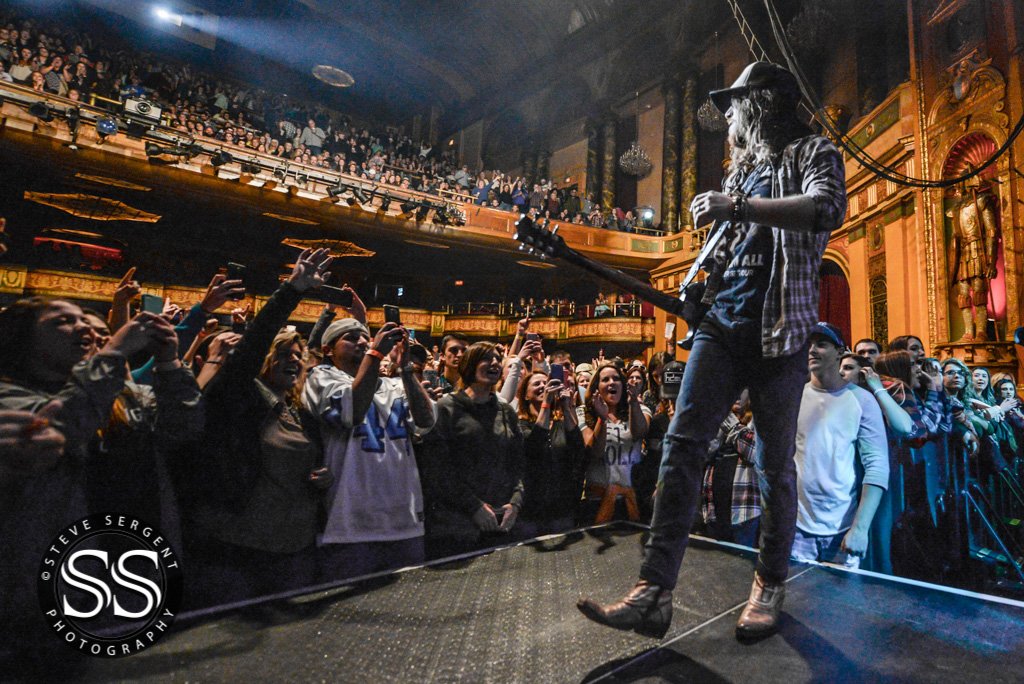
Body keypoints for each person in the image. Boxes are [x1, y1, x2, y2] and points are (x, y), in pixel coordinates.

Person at [578, 61, 846, 640]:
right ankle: (654, 590)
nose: (729, 117)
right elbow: (726, 253)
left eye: (736, 104)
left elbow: (827, 209)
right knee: (679, 447)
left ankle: (769, 583)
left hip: (781, 332)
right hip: (722, 325)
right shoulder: (743, 171)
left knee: (774, 466)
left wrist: (736, 208)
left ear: (766, 102)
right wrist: (699, 281)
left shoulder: (813, 152)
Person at [304, 316, 436, 581]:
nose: (362, 341)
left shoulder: (395, 385)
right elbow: (350, 412)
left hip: (404, 521)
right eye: (350, 337)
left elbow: (426, 422)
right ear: (328, 350)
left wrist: (406, 369)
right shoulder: (321, 377)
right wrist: (375, 354)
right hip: (349, 525)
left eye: (365, 336)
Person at [790, 323, 889, 570]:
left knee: (841, 606)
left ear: (840, 352)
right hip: (796, 528)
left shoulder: (862, 400)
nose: (812, 350)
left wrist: (860, 529)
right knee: (797, 603)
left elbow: (877, 466)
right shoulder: (792, 397)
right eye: (808, 345)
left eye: (821, 344)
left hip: (843, 529)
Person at [420, 342, 525, 557]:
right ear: (469, 365)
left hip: (501, 522)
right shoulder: (446, 407)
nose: (495, 363)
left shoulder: (505, 411)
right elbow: (437, 469)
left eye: (497, 359)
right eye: (486, 358)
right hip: (456, 527)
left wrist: (515, 503)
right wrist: (473, 507)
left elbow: (517, 464)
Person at [516, 370, 585, 535]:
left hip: (561, 508)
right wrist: (546, 404)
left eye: (545, 383)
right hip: (530, 510)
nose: (543, 386)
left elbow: (578, 448)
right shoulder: (520, 424)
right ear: (525, 395)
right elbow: (532, 447)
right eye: (537, 384)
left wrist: (566, 407)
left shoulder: (560, 423)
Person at [580, 362, 651, 524]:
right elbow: (595, 452)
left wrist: (633, 402)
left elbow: (639, 432)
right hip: (598, 500)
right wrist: (602, 418)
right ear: (596, 387)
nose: (612, 382)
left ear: (623, 384)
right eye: (605, 380)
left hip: (631, 500)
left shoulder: (640, 409)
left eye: (616, 379)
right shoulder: (582, 413)